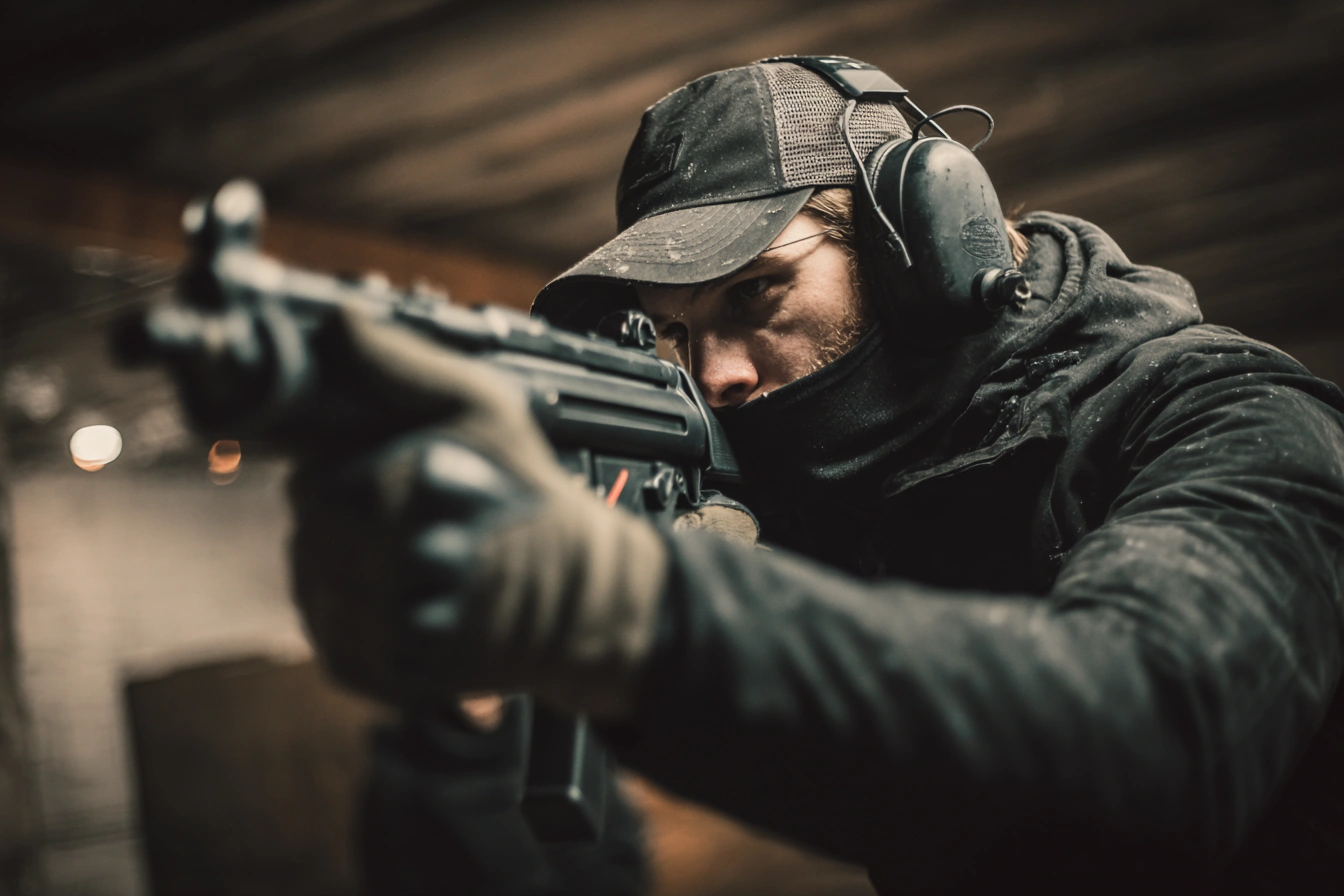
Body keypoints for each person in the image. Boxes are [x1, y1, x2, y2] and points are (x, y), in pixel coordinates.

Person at [288, 58, 1344, 894]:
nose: (717, 372)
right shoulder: (833, 484)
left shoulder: (1232, 414)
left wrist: (628, 605)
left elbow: (1152, 746)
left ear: (922, 246)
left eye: (758, 290)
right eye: (679, 332)